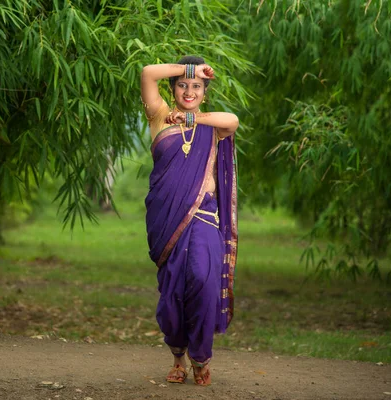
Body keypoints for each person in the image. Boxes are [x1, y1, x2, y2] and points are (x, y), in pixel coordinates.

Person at [141, 56, 239, 386]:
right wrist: (192, 69)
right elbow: (147, 72)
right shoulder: (158, 116)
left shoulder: (211, 126)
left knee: (202, 281)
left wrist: (192, 118)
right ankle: (177, 358)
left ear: (204, 94)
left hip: (204, 219)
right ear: (173, 88)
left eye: (196, 87)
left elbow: (234, 120)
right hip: (166, 223)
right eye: (183, 85)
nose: (189, 90)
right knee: (172, 295)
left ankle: (200, 358)